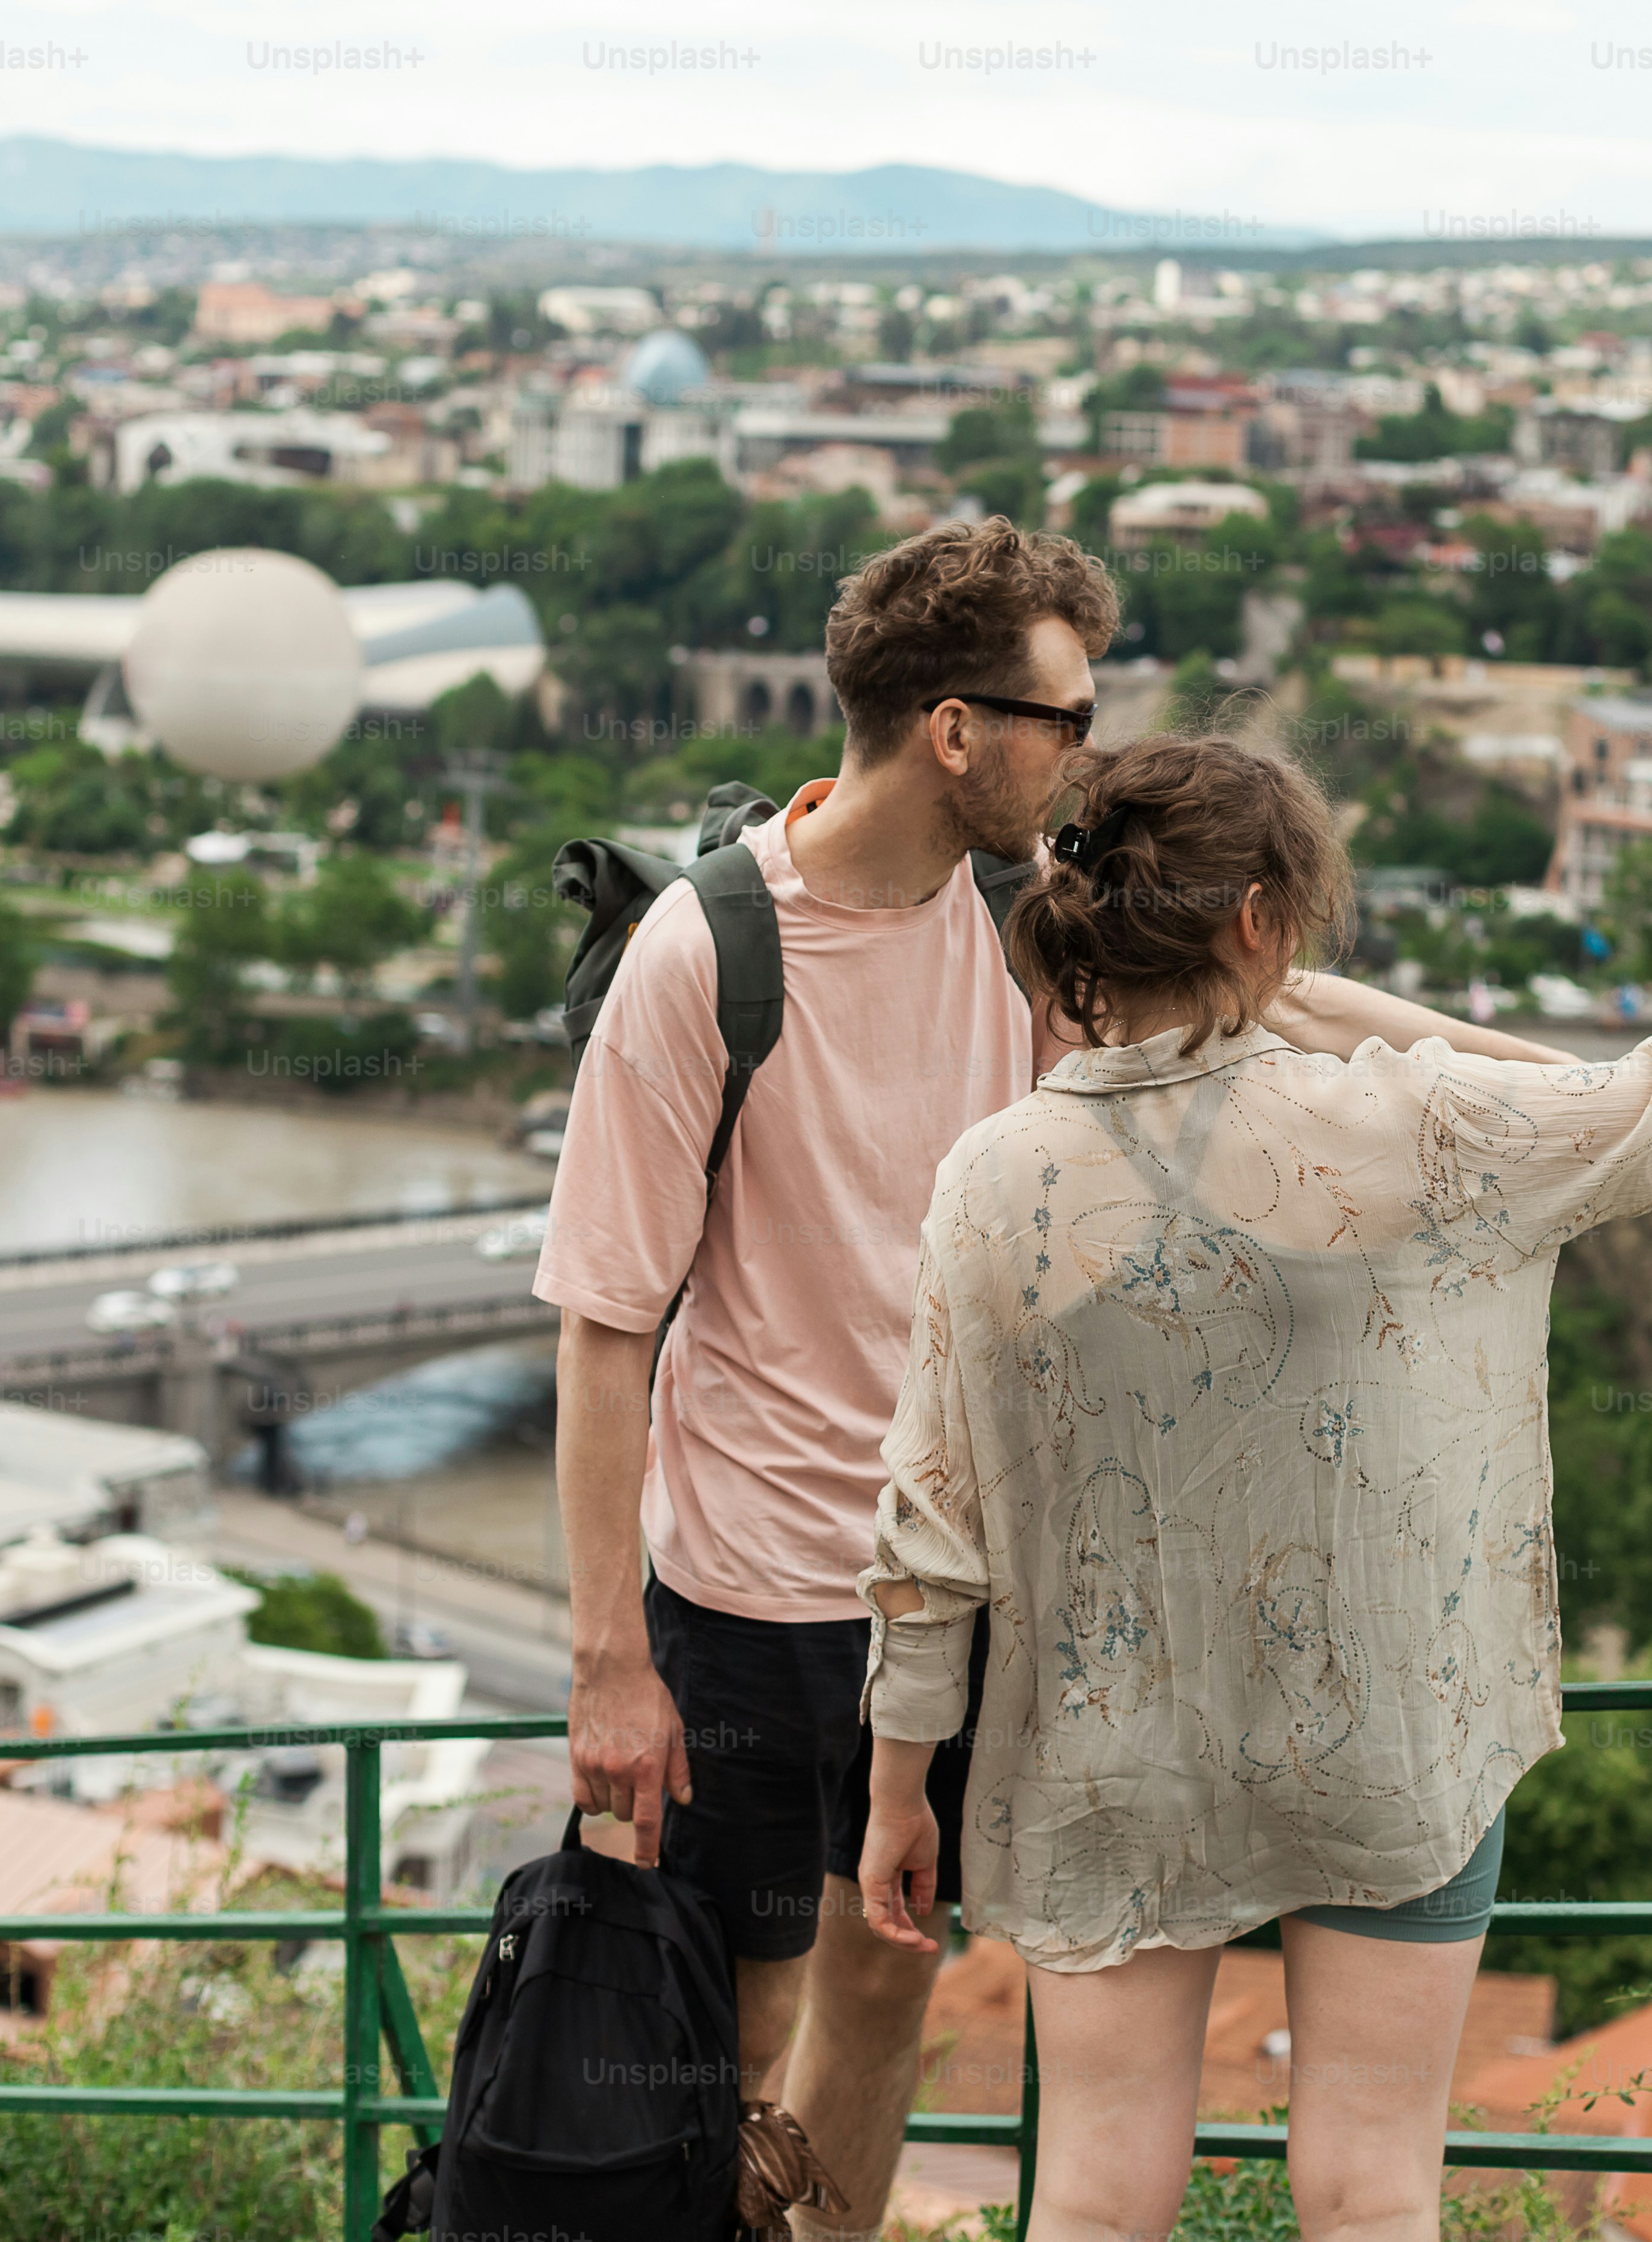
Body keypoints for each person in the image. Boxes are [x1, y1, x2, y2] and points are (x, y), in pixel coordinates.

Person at [852, 729, 1652, 2242]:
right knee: (1375, 2186)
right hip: (1388, 1729)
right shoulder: (1417, 1125)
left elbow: (929, 1538)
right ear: (1260, 917)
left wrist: (899, 1793)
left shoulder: (993, 1177)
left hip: (1108, 1755)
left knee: (1101, 2192)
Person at [537, 522, 1562, 2242]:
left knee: (883, 1989)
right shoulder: (705, 957)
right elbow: (602, 1323)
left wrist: (1580, 1089)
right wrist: (607, 1661)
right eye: (1065, 718)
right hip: (754, 1590)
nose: (1085, 755)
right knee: (722, 2027)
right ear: (957, 731)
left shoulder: (1024, 918)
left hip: (966, 1580)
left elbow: (1285, 1007)